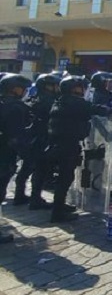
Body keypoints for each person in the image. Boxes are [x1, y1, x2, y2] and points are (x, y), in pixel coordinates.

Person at [47, 76, 112, 222]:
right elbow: (93, 108)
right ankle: (58, 213)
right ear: (72, 89)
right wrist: (108, 110)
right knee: (65, 178)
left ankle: (60, 205)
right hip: (67, 145)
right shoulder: (74, 102)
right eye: (79, 87)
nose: (82, 90)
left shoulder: (61, 100)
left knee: (64, 178)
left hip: (60, 144)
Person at [23, 73, 61, 209]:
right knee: (41, 170)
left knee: (36, 170)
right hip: (43, 139)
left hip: (37, 140)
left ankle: (31, 196)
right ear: (47, 87)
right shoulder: (48, 102)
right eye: (54, 85)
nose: (57, 88)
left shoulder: (36, 99)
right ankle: (35, 199)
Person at [0, 75, 32, 208]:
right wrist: (25, 153)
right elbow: (15, 136)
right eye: (22, 89)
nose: (24, 91)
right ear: (14, 90)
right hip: (5, 154)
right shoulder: (16, 108)